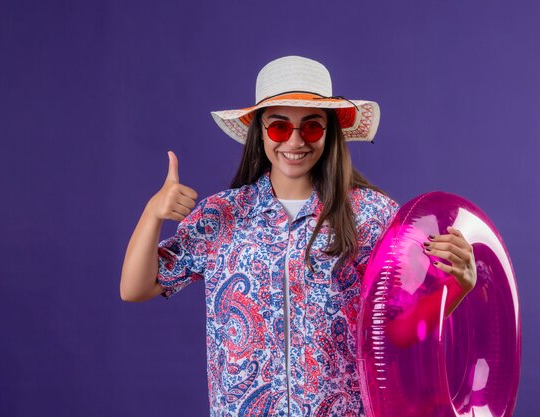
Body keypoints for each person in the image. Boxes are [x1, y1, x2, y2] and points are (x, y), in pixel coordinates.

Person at [120, 56, 476, 417]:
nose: (294, 141)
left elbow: (399, 333)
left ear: (329, 132)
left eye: (310, 127)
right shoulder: (222, 216)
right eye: (279, 127)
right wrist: (152, 214)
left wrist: (458, 286)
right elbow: (135, 288)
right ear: (259, 132)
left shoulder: (373, 215)